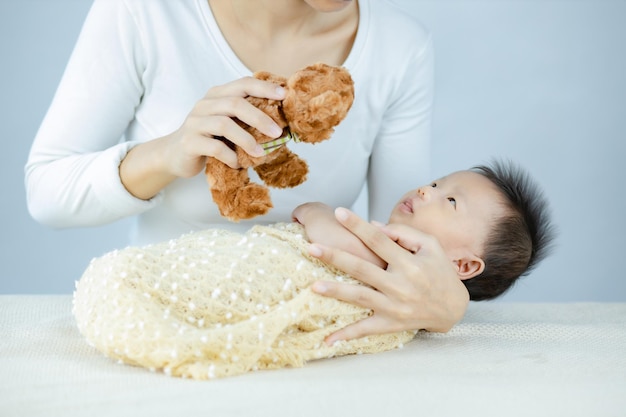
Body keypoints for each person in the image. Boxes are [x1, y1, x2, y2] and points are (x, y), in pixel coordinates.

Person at [26, 0, 468, 341]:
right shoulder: (147, 12)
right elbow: (46, 194)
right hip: (166, 317)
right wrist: (167, 153)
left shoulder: (400, 45)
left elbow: (402, 241)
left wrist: (449, 301)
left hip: (306, 332)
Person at [73, 160, 555, 379]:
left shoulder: (391, 258)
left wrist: (321, 210)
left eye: (450, 200)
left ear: (464, 264)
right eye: (434, 181)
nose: (426, 191)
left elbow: (325, 232)